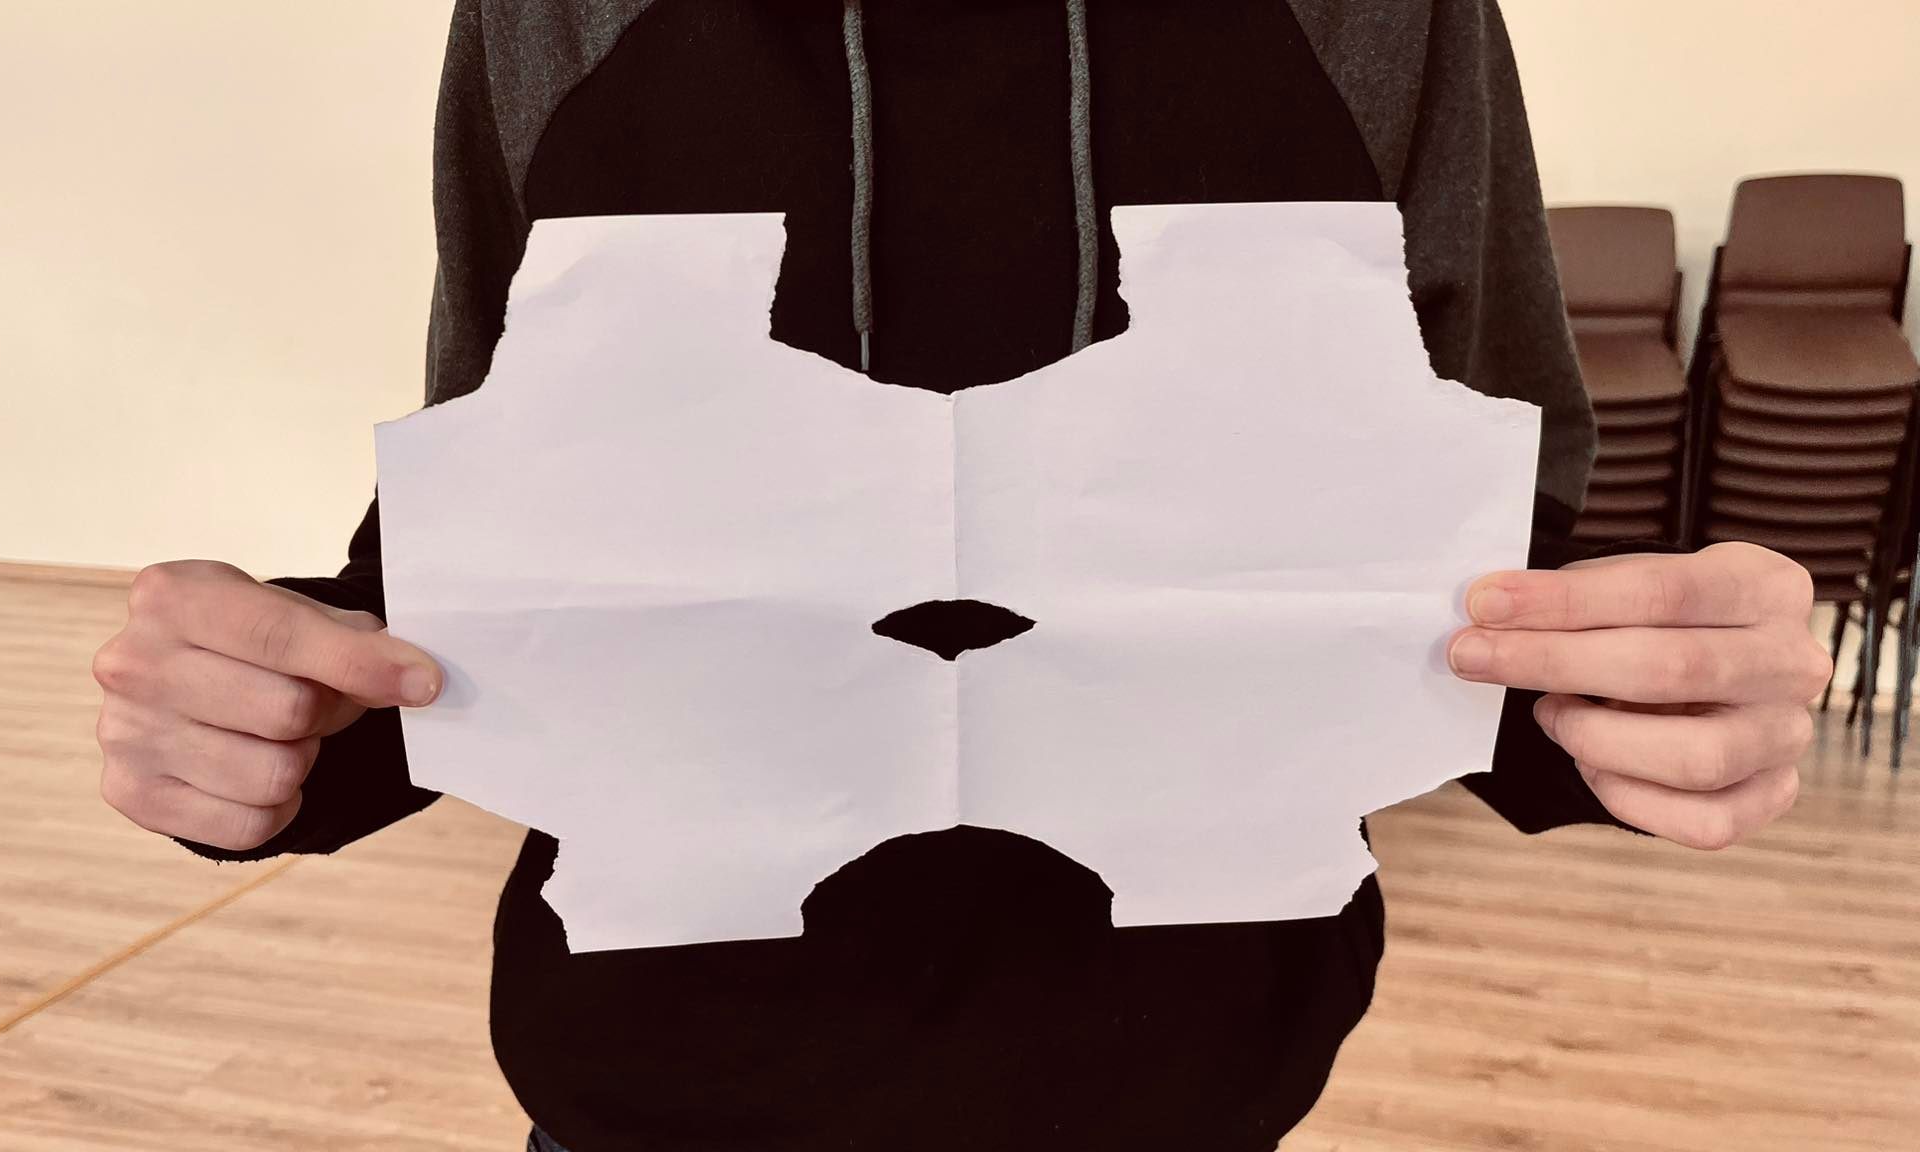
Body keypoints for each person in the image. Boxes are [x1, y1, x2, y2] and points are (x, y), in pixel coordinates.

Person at [90, 1, 1830, 1148]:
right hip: (658, 1082)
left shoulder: (1379, 16)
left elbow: (1486, 558)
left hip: (1187, 1087)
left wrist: (1643, 698)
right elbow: (496, 545)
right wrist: (279, 723)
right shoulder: (565, 11)